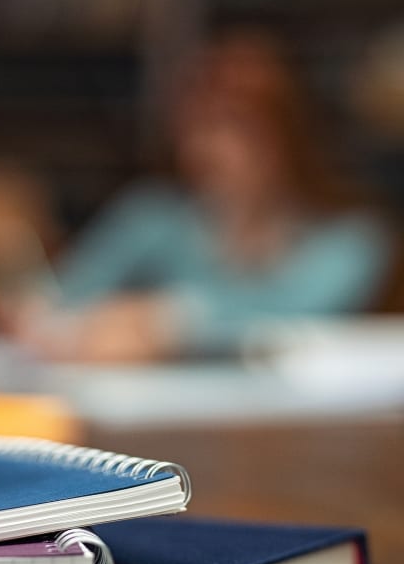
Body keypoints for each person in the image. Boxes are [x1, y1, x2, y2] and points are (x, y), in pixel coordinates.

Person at [21, 31, 394, 362]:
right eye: (195, 128)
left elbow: (296, 317)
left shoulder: (350, 240)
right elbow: (61, 300)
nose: (207, 147)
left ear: (285, 134)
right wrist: (60, 318)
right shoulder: (154, 216)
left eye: (233, 126)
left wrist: (169, 322)